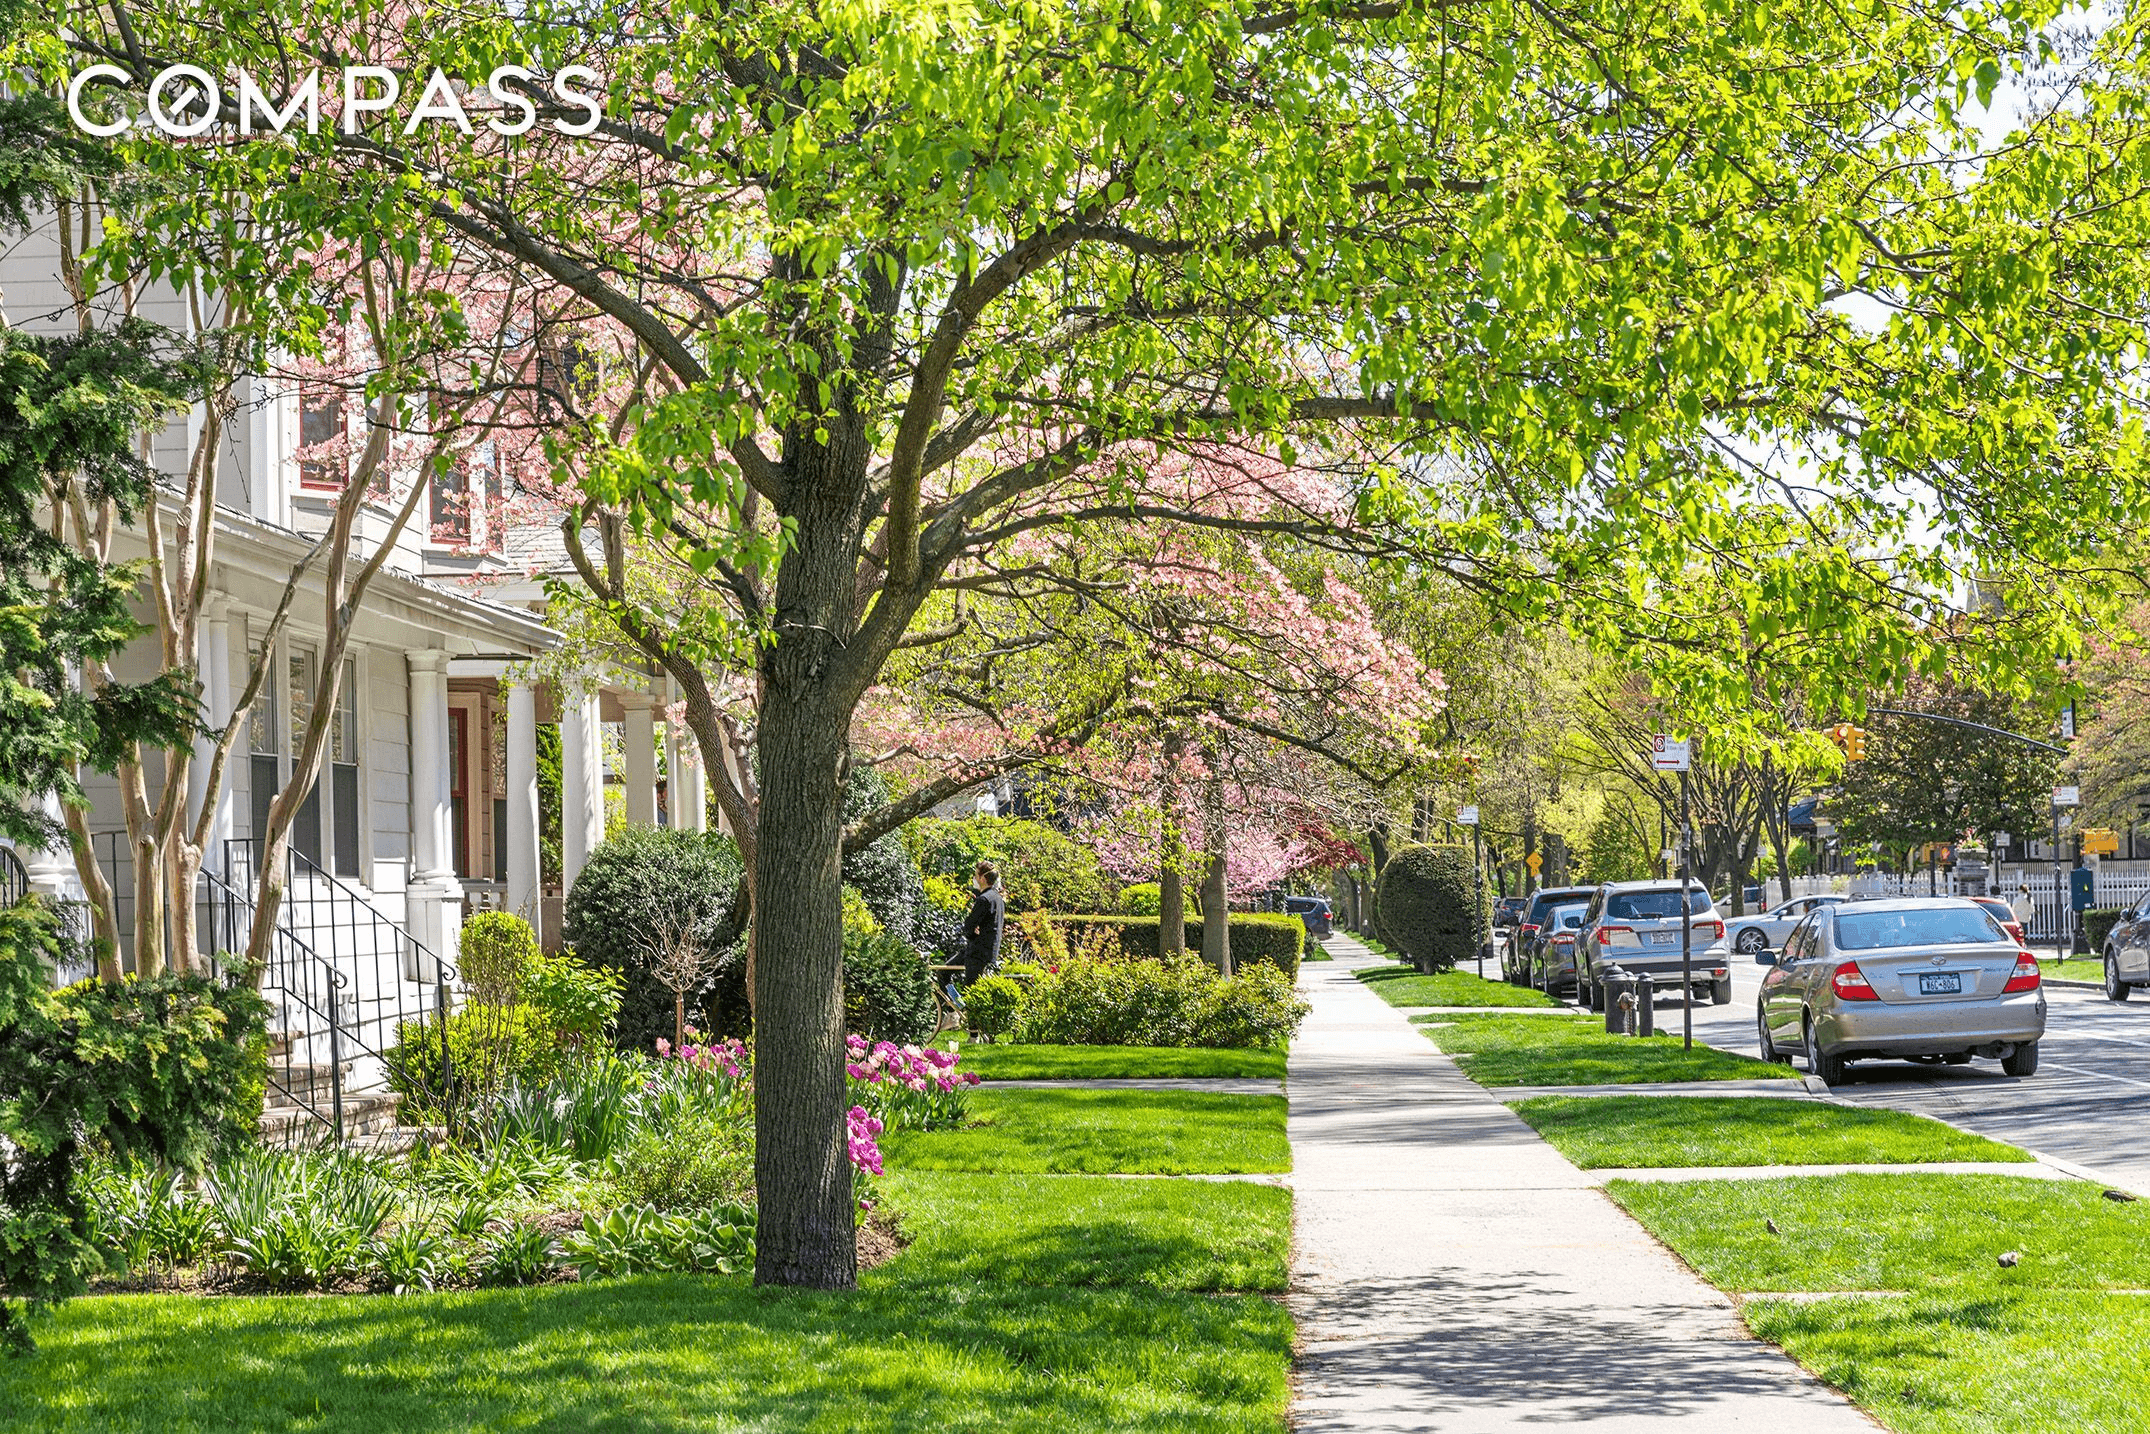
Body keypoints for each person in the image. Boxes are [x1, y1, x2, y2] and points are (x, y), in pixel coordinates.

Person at [961, 859, 1005, 983]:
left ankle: (951, 1001)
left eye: (976, 876)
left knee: (945, 971)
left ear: (982, 879)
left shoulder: (984, 900)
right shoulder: (998, 899)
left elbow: (969, 925)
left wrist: (972, 934)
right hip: (990, 952)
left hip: (977, 954)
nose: (974, 879)